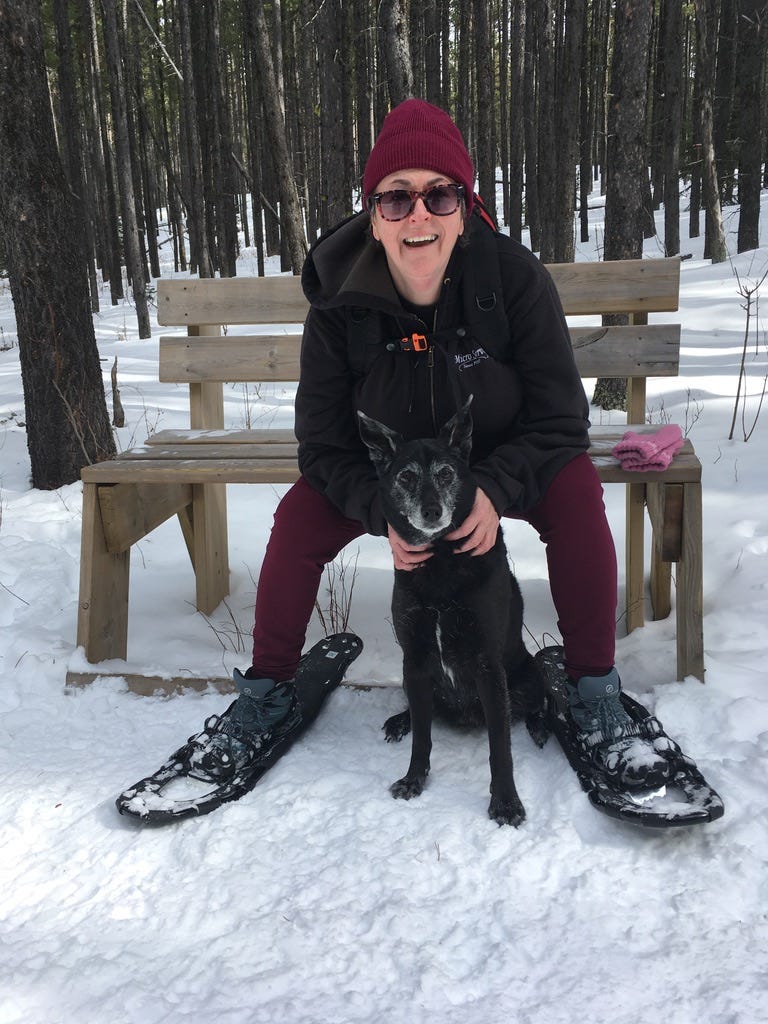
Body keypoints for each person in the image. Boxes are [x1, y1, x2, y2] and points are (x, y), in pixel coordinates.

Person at [178, 99, 671, 799]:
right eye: (396, 197)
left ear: (464, 208)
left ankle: (595, 697)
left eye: (439, 194)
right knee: (297, 520)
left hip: (504, 462)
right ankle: (267, 695)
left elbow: (562, 422)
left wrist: (495, 489)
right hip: (388, 477)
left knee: (578, 497)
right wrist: (376, 507)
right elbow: (321, 446)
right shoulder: (338, 306)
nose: (418, 215)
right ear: (372, 214)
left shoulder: (513, 281)